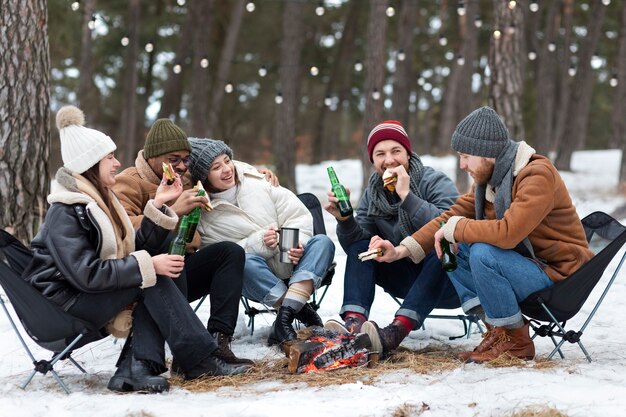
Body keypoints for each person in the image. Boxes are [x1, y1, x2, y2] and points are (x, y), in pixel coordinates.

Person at [23, 106, 250, 393]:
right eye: (110, 158)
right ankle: (198, 360)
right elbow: (87, 275)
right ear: (92, 164)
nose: (117, 163)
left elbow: (134, 244)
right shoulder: (67, 211)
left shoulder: (97, 200)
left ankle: (137, 368)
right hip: (63, 306)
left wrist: (160, 206)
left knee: (154, 268)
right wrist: (149, 265)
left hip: (85, 293)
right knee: (150, 274)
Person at [368, 107, 595, 362]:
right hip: (529, 267)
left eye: (465, 156)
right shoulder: (490, 182)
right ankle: (498, 331)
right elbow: (447, 218)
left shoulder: (536, 174)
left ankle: (516, 341)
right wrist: (400, 250)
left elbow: (509, 232)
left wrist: (458, 228)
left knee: (481, 250)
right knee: (456, 246)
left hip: (559, 278)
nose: (462, 165)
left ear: (488, 153)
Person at [113, 119, 277, 365]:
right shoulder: (130, 181)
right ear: (153, 156)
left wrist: (256, 174)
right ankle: (191, 354)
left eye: (185, 159)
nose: (181, 166)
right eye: (173, 159)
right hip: (150, 274)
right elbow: (123, 232)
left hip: (185, 268)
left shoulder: (187, 177)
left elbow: (220, 169)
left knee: (229, 253)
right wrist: (172, 210)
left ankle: (219, 341)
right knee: (170, 243)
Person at [324, 120, 461, 358]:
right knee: (362, 248)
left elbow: (449, 226)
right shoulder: (373, 193)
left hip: (447, 280)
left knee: (442, 246)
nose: (389, 160)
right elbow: (357, 246)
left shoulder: (433, 181)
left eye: (396, 151)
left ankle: (396, 331)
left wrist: (407, 196)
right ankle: (354, 326)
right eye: (380, 154)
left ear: (408, 154)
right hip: (405, 278)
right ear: (373, 161)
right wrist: (345, 221)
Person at [186, 138, 335, 347]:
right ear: (204, 176)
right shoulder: (204, 215)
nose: (226, 169)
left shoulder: (258, 181)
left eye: (227, 161)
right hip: (257, 278)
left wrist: (293, 244)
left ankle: (283, 318)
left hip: (293, 264)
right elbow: (222, 258)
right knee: (241, 262)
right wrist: (260, 242)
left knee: (322, 243)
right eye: (216, 167)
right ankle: (298, 310)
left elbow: (295, 214)